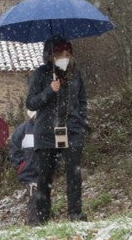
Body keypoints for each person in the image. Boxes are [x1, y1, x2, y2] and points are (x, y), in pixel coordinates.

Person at [22, 38, 89, 224]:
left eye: (68, 52)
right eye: (60, 52)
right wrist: (49, 90)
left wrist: (81, 120)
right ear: (50, 55)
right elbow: (31, 103)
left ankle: (75, 213)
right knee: (45, 176)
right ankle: (41, 217)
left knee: (74, 173)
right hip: (46, 132)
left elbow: (82, 100)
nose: (65, 56)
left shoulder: (76, 74)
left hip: (72, 130)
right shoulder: (41, 74)